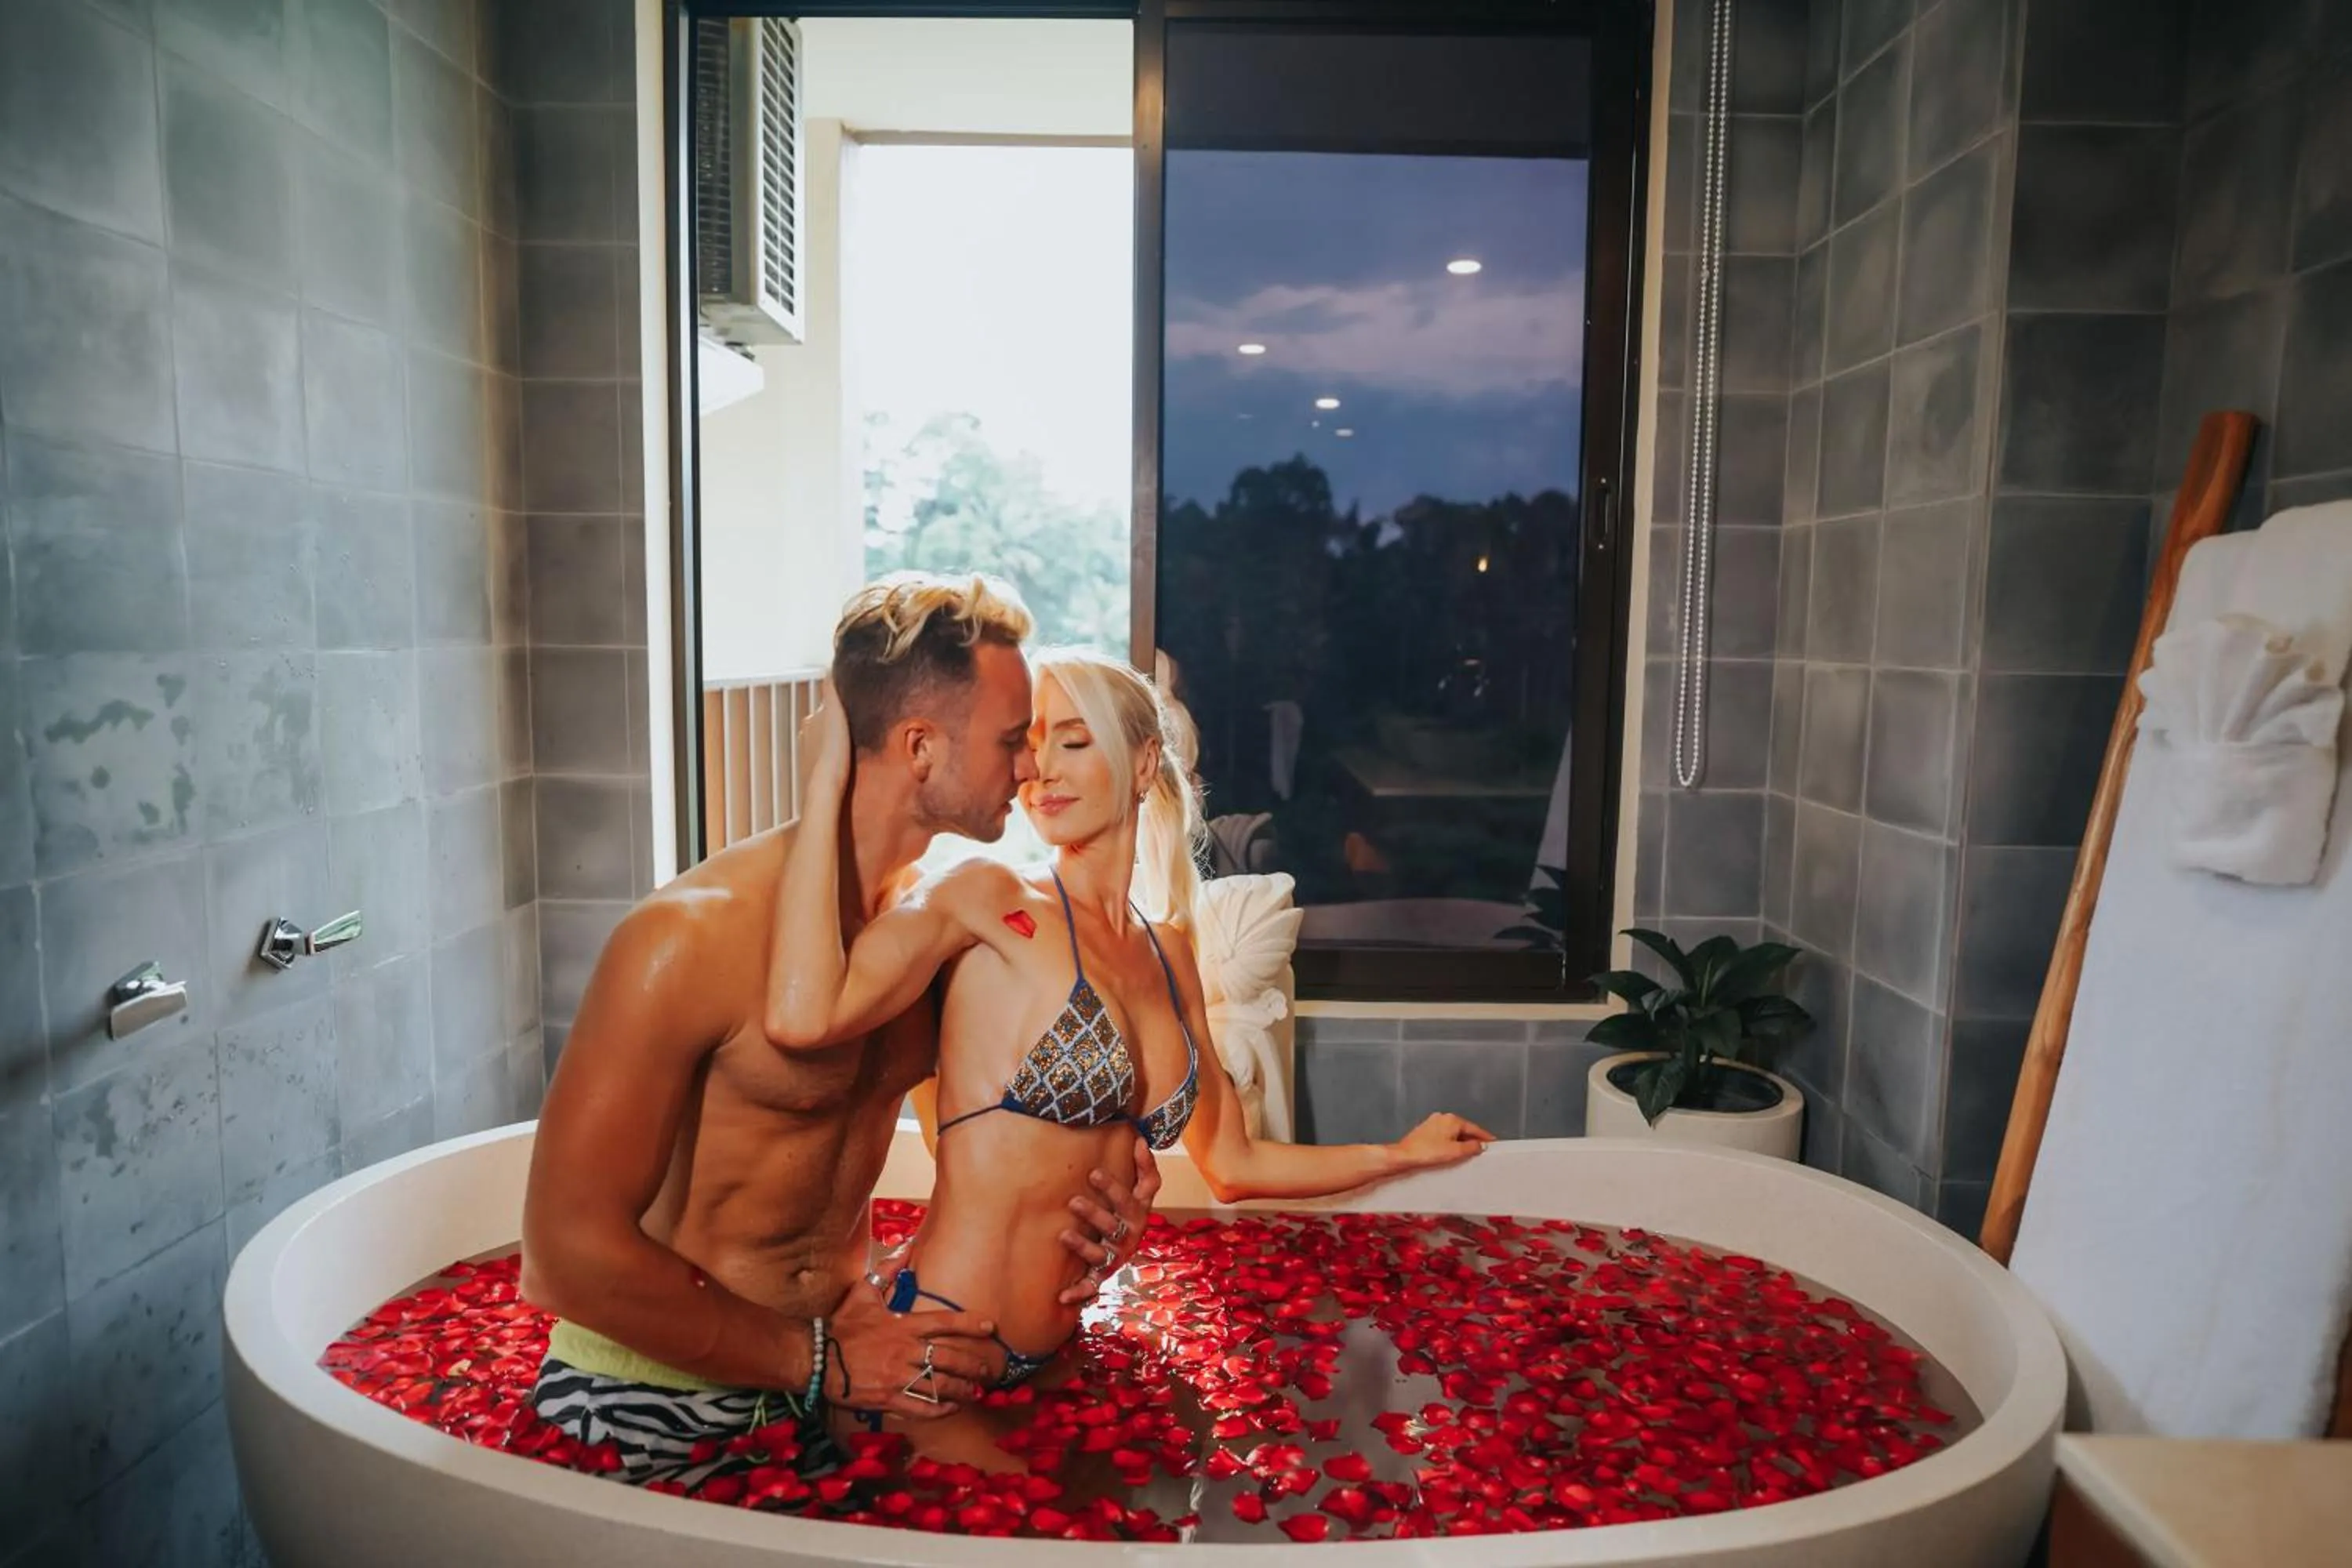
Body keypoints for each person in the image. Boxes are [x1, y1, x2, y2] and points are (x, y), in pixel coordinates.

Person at [518, 575, 1156, 1486]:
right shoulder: (685, 938)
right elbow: (562, 1256)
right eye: (1013, 740)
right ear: (921, 748)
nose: (1030, 769)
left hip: (844, 1368)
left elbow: (989, 1141)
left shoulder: (930, 932)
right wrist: (815, 1356)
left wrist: (1099, 1208)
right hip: (657, 1395)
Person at [768, 645, 1497, 1393]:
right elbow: (810, 1014)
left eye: (1074, 742)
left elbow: (1235, 1167)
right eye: (1029, 743)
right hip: (941, 1346)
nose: (1041, 769)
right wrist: (827, 782)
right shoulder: (989, 900)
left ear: (1144, 764)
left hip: (1061, 1354)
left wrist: (1402, 1153)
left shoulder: (1170, 951)